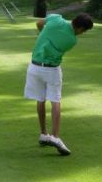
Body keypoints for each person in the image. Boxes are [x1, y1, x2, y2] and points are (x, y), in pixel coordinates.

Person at [24, 13, 93, 155]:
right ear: (79, 27)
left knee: (40, 99)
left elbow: (39, 23)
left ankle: (43, 133)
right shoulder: (72, 40)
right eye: (84, 31)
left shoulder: (55, 18)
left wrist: (44, 34)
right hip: (52, 70)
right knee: (55, 101)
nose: (82, 34)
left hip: (34, 67)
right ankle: (55, 137)